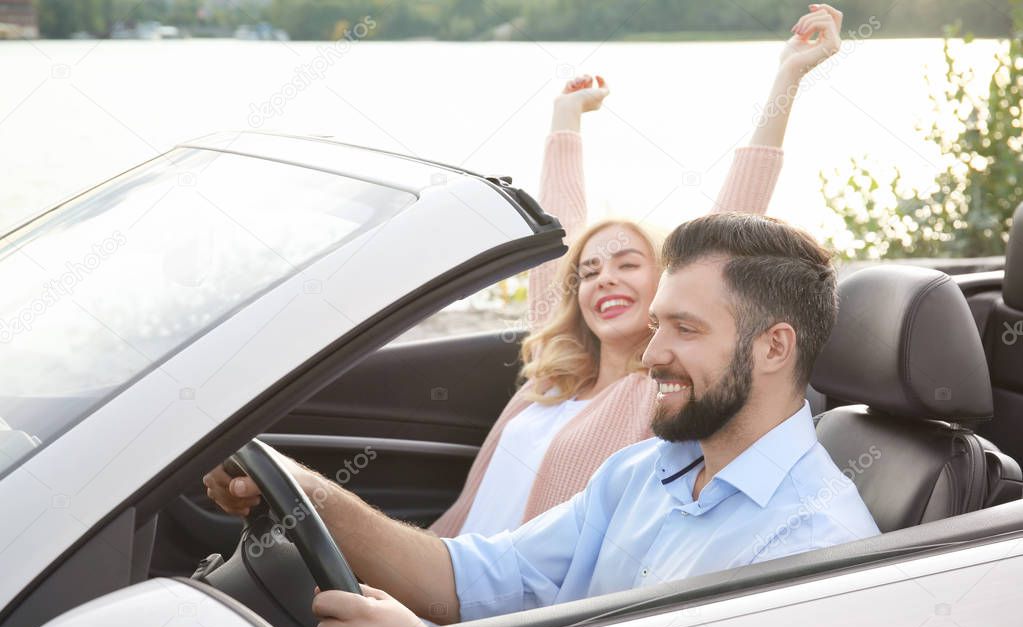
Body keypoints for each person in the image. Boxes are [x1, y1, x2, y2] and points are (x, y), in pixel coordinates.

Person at [203, 4, 850, 540]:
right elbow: (559, 238)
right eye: (591, 272)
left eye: (629, 264)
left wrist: (786, 77)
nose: (602, 279)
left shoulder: (653, 395)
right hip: (441, 575)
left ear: (670, 289)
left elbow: (730, 224)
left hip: (504, 625)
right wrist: (564, 120)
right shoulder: (555, 379)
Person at [210, 212, 881, 627]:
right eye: (656, 325)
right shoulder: (640, 472)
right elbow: (466, 578)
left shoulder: (810, 546)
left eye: (684, 328)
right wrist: (301, 489)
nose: (649, 356)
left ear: (773, 347)